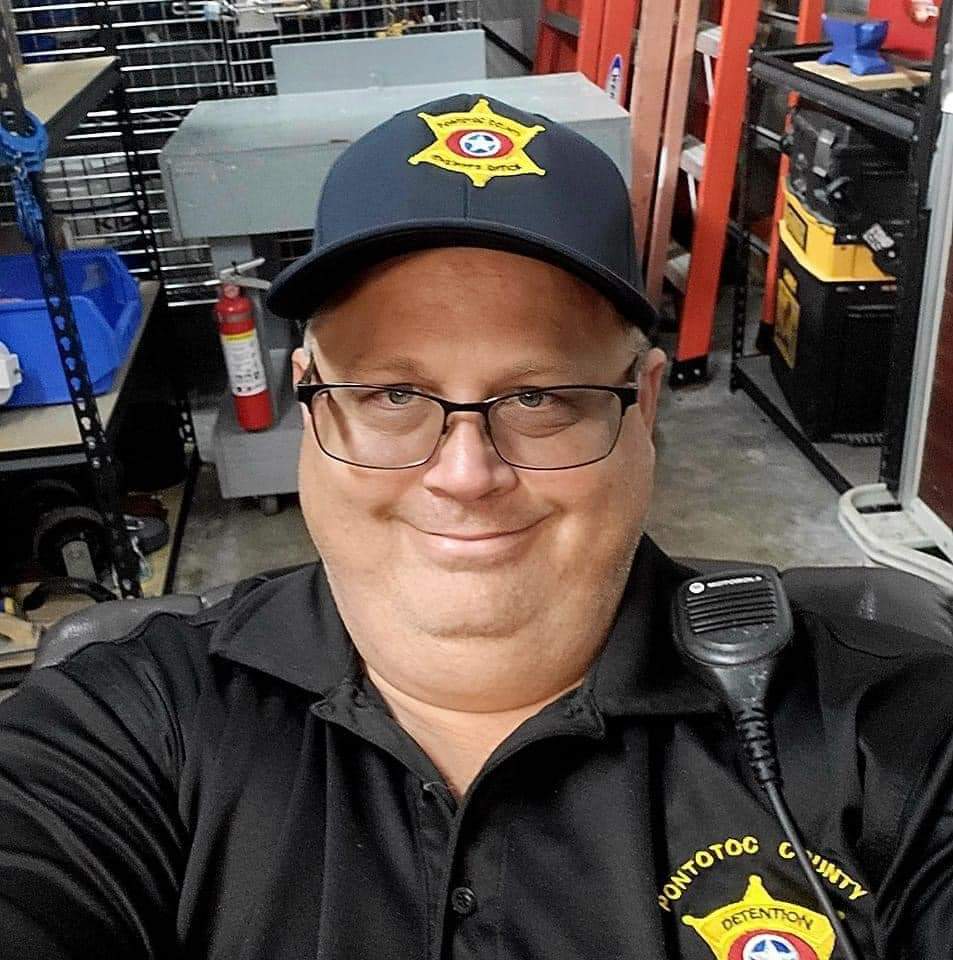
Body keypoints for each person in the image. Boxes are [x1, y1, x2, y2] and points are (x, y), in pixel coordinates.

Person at [0, 92, 951, 960]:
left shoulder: (886, 736)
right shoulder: (127, 726)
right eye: (392, 394)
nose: (464, 475)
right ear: (308, 396)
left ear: (645, 405)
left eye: (538, 396)